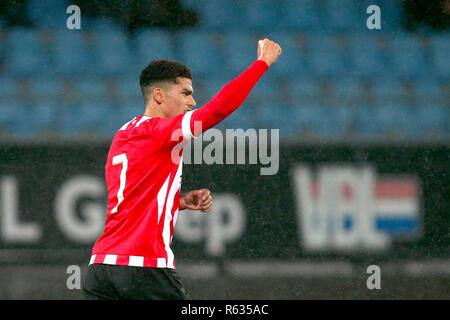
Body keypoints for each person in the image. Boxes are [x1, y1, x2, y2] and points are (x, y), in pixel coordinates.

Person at [82, 38, 282, 300]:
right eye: (186, 93)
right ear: (159, 95)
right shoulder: (160, 132)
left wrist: (179, 201)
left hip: (101, 269)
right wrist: (262, 62)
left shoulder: (123, 134)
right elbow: (217, 110)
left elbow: (132, 198)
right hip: (144, 268)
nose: (193, 101)